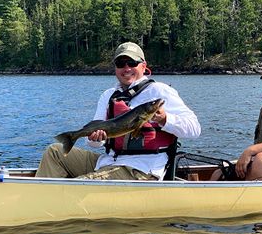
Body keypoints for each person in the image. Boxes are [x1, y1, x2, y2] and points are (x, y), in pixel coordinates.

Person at [36, 42, 201, 181]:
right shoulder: (108, 96)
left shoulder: (160, 91)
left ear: (144, 66)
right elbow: (94, 144)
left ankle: (53, 201)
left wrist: (165, 119)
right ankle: (40, 199)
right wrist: (95, 139)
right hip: (108, 162)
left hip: (142, 169)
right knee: (55, 152)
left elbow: (194, 129)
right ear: (115, 68)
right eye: (121, 64)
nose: (126, 68)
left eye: (132, 63)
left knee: (85, 183)